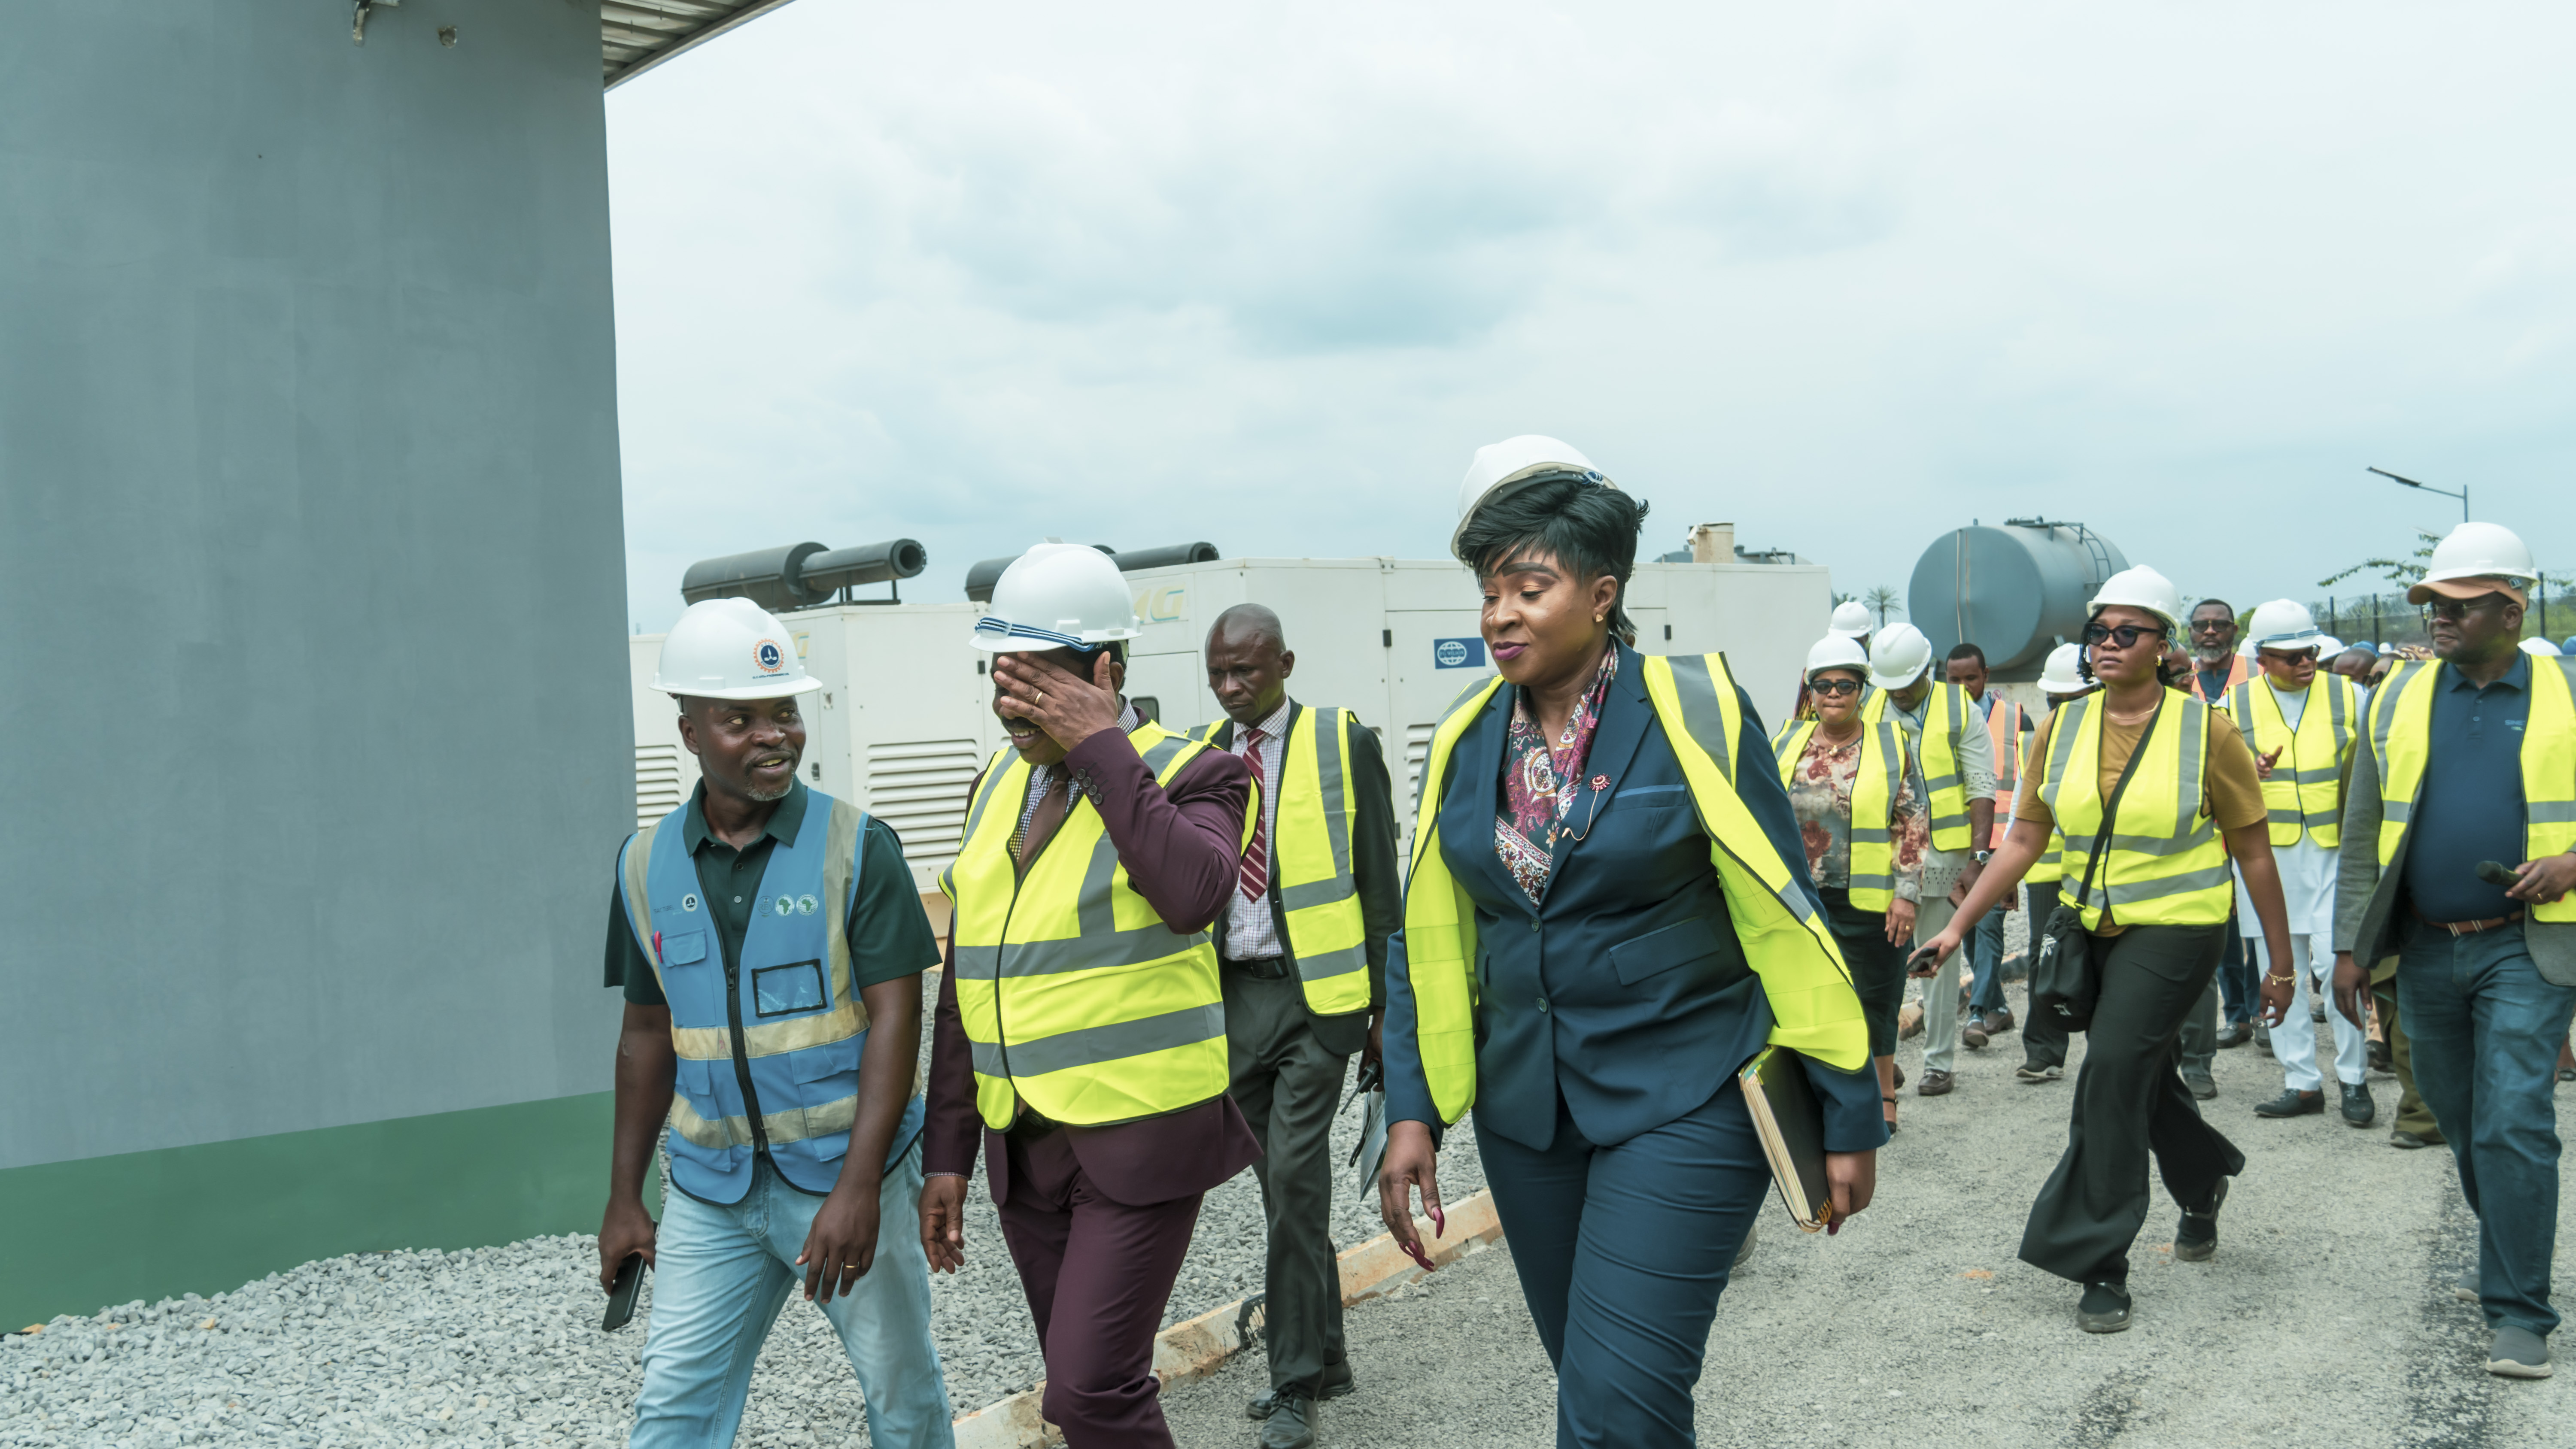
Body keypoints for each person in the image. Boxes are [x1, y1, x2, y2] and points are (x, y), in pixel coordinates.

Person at [1378, 436, 1883, 1447]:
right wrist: (1411, 1109)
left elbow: (1786, 916)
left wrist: (1849, 1104)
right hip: (1528, 1114)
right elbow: (1428, 933)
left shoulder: (1694, 713)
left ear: (1602, 593)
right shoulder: (1468, 735)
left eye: (1530, 585)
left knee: (1614, 1404)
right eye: (1488, 591)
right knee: (1601, 1395)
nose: (1500, 615)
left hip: (1685, 1089)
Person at [919, 543, 1261, 1447]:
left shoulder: (1202, 773)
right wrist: (945, 1152)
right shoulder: (995, 783)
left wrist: (1100, 745)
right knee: (1084, 1394)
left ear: (1105, 670)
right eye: (1002, 677)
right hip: (1026, 1146)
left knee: (1092, 1387)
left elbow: (1193, 893)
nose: (1011, 700)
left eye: (1037, 679)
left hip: (1140, 1137)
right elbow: (967, 978)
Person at [598, 598, 954, 1449]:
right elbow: (646, 1036)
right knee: (674, 1409)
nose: (774, 735)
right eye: (740, 718)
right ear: (688, 730)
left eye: (784, 711)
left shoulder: (858, 846)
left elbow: (898, 1019)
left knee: (902, 1398)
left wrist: (861, 1187)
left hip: (845, 1171)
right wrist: (622, 1195)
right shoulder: (644, 864)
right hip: (709, 1191)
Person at [1917, 564, 2295, 1335]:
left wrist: (2281, 967)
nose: (2109, 644)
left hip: (2182, 930)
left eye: (2129, 632)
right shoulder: (2063, 726)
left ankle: (2100, 1260)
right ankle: (2204, 1179)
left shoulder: (2208, 731)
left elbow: (2253, 851)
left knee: (2111, 1070)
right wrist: (1958, 927)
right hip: (2095, 929)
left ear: (2163, 645)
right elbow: (2025, 838)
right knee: (2140, 1079)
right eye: (2099, 631)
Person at [2327, 521, 2576, 1380]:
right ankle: (2510, 1247)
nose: (2436, 616)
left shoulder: (2569, 689)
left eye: (2458, 605)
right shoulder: (2395, 698)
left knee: (2515, 1118)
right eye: (2430, 601)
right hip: (2425, 950)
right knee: (2465, 1122)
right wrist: (2349, 947)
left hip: (2528, 948)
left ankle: (2519, 1310)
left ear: (2510, 608)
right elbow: (2363, 830)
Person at [1187, 604, 1403, 1448]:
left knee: (1295, 1178)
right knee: (1283, 1191)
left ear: (1285, 660)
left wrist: (1389, 1010)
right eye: (1219, 673)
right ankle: (1329, 1354)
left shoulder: (1342, 742)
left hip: (1321, 1003)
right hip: (1238, 1001)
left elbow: (1380, 883)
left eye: (1247, 669)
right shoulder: (1206, 755)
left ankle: (1293, 1385)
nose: (1233, 687)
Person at [1775, 634, 1929, 1132]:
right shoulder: (1785, 742)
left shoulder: (1891, 743)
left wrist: (1907, 895)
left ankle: (1883, 1094)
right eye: (1824, 684)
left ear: (1863, 689)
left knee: (1877, 996)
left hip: (1872, 898)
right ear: (1811, 689)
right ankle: (1816, 1095)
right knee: (1809, 996)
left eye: (1846, 684)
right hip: (1801, 898)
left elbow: (1913, 820)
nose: (1834, 693)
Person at [2229, 601, 2372, 1127]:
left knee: (2340, 969)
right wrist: (2250, 771)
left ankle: (2354, 1080)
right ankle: (2301, 1082)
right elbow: (2215, 781)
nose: (2306, 662)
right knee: (2278, 968)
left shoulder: (2349, 695)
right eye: (2291, 656)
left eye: (2311, 651)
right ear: (2263, 658)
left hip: (2336, 852)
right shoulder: (2233, 707)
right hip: (2268, 858)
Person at [1865, 623, 1996, 1096]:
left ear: (1928, 669)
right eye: (1891, 686)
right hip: (1885, 853)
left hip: (1944, 853)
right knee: (1880, 959)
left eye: (1908, 684)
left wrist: (1978, 859)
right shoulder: (1870, 705)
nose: (1899, 693)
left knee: (1935, 959)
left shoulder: (1960, 708)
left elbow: (1982, 786)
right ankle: (1883, 1059)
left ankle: (1938, 1063)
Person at [1948, 642, 2033, 1044]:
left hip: (2002, 843)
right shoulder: (1938, 722)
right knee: (1965, 929)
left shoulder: (2017, 719)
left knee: (1990, 925)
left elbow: (2027, 786)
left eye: (1971, 677)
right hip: (1956, 844)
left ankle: (1978, 1014)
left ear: (1986, 676)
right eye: (1954, 679)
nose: (1963, 686)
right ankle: (1999, 1009)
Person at [2014, 643, 2090, 1085]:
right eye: (2055, 700)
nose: (2062, 709)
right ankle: (2044, 1051)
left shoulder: (2116, 736)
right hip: (2046, 868)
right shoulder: (2036, 738)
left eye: (2071, 699)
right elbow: (2017, 811)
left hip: (2101, 868)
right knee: (2045, 958)